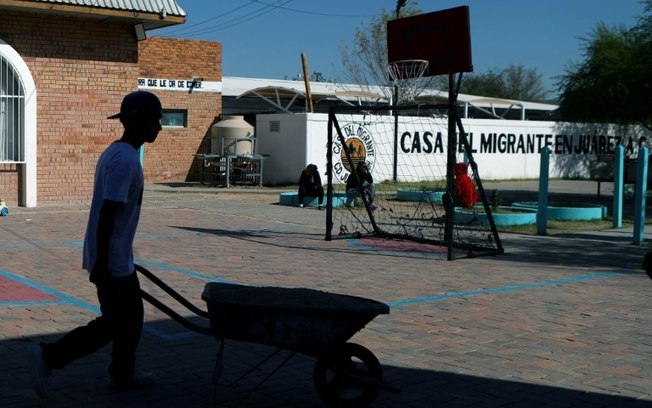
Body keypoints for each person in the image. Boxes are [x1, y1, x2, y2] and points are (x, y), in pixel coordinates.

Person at [30, 90, 163, 397]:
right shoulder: (124, 160)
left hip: (117, 258)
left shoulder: (121, 153)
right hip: (111, 260)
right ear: (138, 121)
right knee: (115, 322)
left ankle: (122, 372)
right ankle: (49, 355)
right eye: (155, 120)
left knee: (132, 318)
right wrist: (102, 266)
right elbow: (108, 214)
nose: (159, 127)